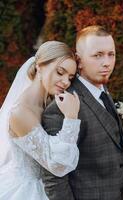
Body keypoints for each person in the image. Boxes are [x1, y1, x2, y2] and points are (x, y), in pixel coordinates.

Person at [41, 26, 123, 200]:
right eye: (97, 55)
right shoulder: (62, 106)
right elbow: (54, 178)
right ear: (79, 60)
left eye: (111, 54)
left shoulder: (103, 91)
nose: (107, 62)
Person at [0, 41, 81, 200]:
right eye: (60, 72)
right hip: (25, 191)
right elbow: (57, 164)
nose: (65, 81)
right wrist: (71, 118)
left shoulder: (50, 104)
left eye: (70, 77)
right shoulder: (20, 113)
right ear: (39, 66)